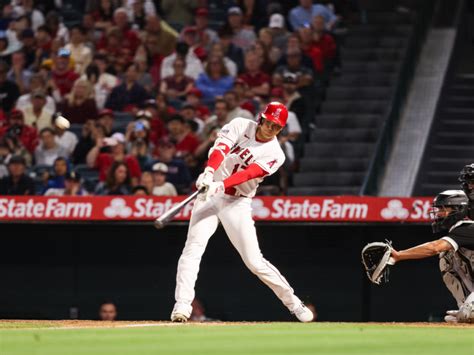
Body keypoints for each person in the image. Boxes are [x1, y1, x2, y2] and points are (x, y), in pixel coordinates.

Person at [170, 102, 314, 323]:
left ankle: (294, 303)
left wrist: (221, 184)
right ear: (261, 118)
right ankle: (182, 306)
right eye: (268, 122)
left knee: (254, 261)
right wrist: (209, 173)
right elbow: (220, 149)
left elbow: (250, 173)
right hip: (210, 193)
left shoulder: (276, 153)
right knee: (192, 249)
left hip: (236, 202)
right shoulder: (239, 124)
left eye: (276, 126)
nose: (270, 128)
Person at [389, 190, 474, 323]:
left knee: (468, 314)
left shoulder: (468, 228)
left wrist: (398, 255)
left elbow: (434, 247)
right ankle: (467, 306)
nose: (438, 213)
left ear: (459, 209)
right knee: (446, 258)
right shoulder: (460, 230)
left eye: (443, 208)